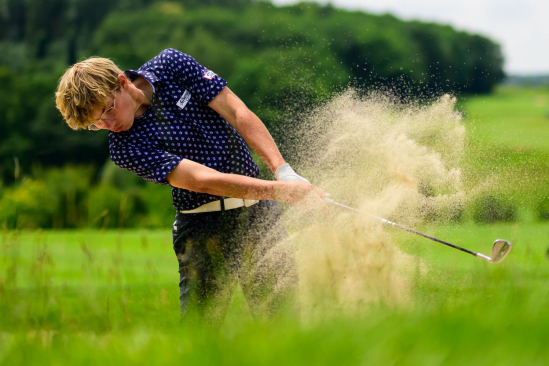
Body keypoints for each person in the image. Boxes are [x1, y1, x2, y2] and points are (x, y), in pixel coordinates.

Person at [55, 48, 328, 323]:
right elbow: (203, 181)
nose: (108, 124)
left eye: (107, 110)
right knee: (201, 337)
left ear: (122, 83)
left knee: (283, 324)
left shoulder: (170, 64)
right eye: (95, 123)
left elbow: (235, 110)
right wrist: (282, 192)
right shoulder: (125, 148)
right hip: (202, 231)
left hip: (258, 217)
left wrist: (284, 172)